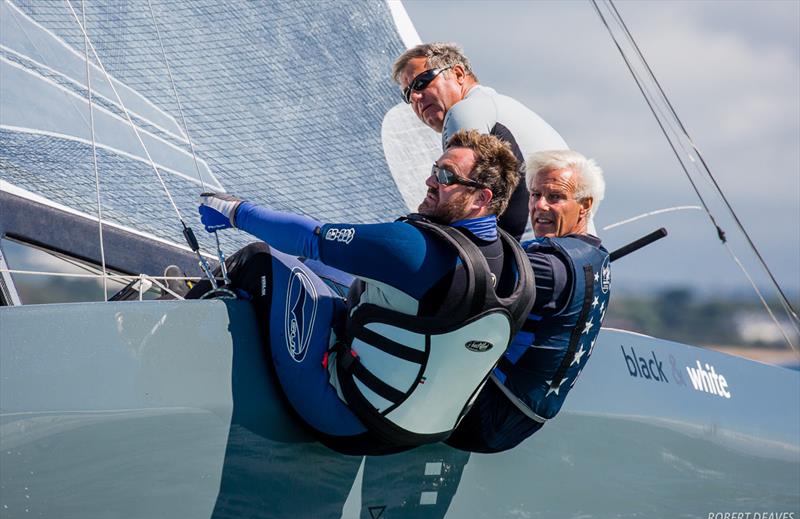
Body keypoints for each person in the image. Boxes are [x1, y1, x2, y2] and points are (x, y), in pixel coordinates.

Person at [190, 130, 535, 454]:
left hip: (345, 420)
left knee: (261, 259)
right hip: (420, 433)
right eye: (434, 170)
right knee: (333, 277)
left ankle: (169, 334)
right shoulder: (517, 268)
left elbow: (309, 237)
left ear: (481, 198)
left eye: (446, 177)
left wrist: (236, 211)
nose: (431, 181)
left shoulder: (415, 247)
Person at [446, 149, 611, 453]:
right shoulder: (595, 257)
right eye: (535, 194)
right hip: (521, 418)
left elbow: (454, 280)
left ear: (585, 206)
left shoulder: (547, 267)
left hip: (484, 414)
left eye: (555, 197)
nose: (539, 206)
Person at [392, 42, 570, 240]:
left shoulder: (465, 111)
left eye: (421, 82)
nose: (415, 97)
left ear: (458, 74)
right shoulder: (500, 106)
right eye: (407, 94)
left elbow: (458, 200)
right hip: (563, 254)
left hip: (529, 256)